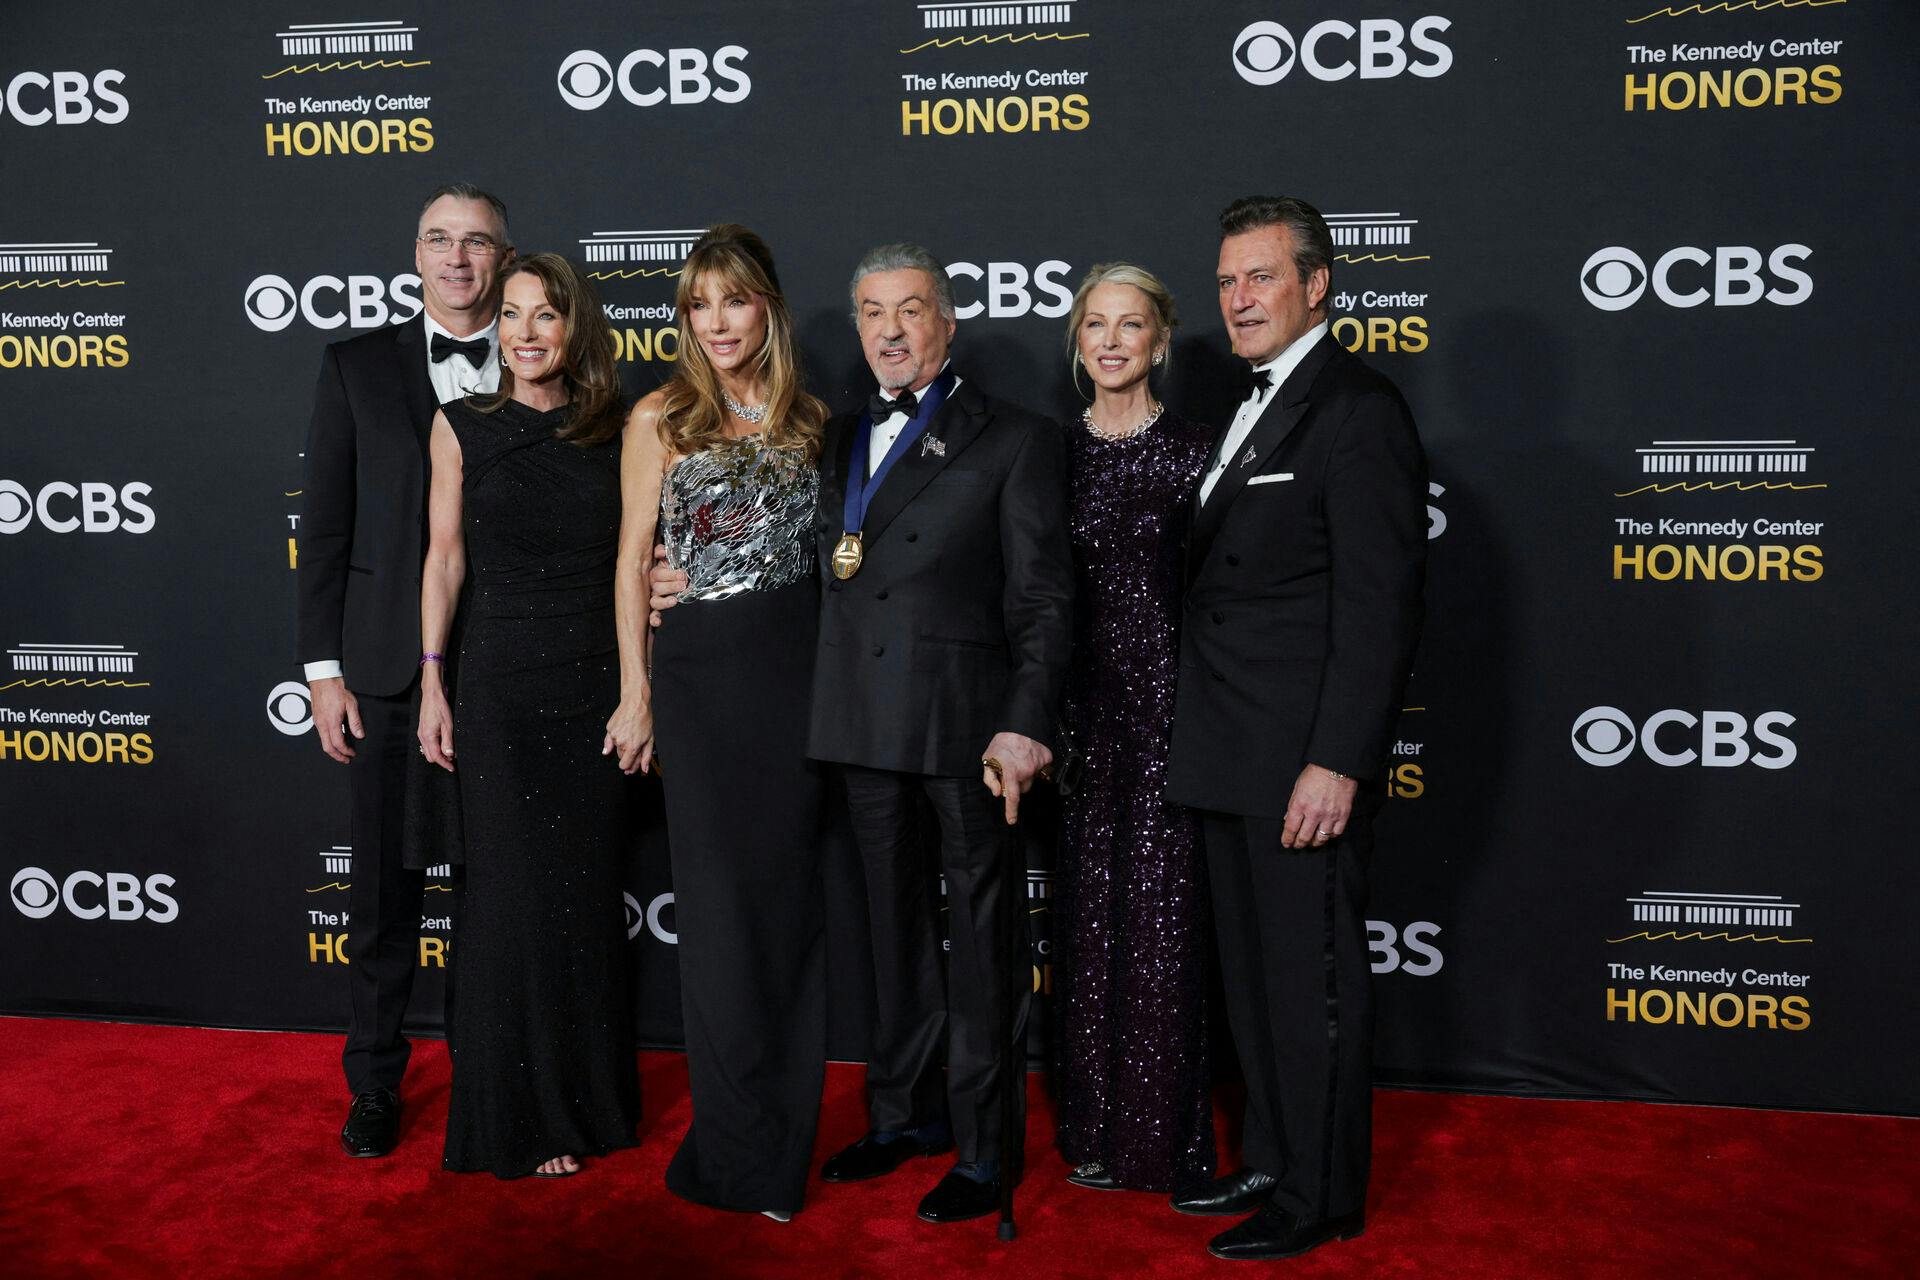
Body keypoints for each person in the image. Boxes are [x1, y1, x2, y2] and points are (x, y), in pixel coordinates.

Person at [1164, 196, 1426, 1261]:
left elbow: (1382, 606)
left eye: (1260, 277)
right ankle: (1273, 1152)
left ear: (1318, 284)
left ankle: (1321, 1194)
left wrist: (1337, 759)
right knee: (1255, 979)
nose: (1238, 299)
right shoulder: (1250, 400)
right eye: (1228, 281)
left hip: (1298, 759)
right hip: (1226, 748)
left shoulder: (1359, 408)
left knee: (1309, 978)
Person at [809, 244, 1073, 1225]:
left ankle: (985, 1147)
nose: (889, 329)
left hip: (968, 729)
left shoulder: (1015, 437)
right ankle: (902, 1116)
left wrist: (1024, 720)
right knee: (891, 935)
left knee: (983, 946)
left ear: (946, 322)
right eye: (872, 310)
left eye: (910, 308)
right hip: (860, 721)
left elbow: (1044, 597)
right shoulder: (831, 438)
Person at [607, 225, 829, 1221]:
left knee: (782, 919)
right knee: (721, 922)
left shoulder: (815, 422)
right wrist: (637, 690)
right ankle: (737, 1148)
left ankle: (783, 1141)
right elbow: (629, 563)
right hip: (697, 683)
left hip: (795, 682)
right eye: (698, 303)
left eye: (732, 300)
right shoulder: (661, 416)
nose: (716, 321)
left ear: (767, 306)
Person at [297, 182, 512, 1158]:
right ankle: (377, 1082)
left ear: (503, 258)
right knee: (382, 895)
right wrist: (323, 669)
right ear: (415, 255)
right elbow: (327, 528)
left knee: (489, 894)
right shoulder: (352, 367)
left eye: (476, 242)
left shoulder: (542, 356)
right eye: (438, 239)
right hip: (382, 671)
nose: (457, 258)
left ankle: (488, 1076)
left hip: (505, 669)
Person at [415, 253, 639, 1179]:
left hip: (592, 690)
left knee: (581, 903)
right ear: (495, 328)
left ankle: (584, 1104)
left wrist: (641, 684)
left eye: (546, 316)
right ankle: (520, 1116)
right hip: (499, 689)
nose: (527, 332)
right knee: (508, 903)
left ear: (573, 326)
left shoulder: (618, 430)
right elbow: (444, 561)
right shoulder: (459, 426)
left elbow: (643, 554)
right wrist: (432, 678)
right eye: (512, 316)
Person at [1051, 263, 1216, 1195]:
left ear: (1161, 339)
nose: (1112, 341)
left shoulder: (1200, 451)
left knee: (1163, 929)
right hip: (1082, 724)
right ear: (1078, 343)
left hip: (1173, 715)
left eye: (1132, 325)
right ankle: (1095, 1133)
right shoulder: (1049, 455)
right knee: (1088, 925)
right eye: (1096, 326)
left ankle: (1164, 1140)